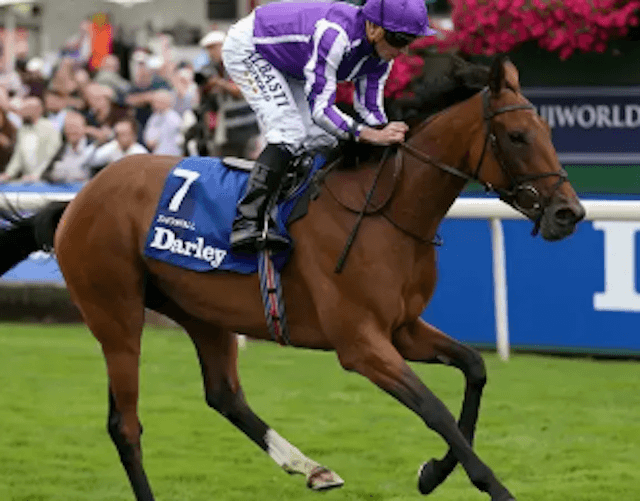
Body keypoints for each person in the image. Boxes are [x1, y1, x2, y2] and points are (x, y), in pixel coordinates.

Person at [222, 0, 436, 253]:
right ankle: (248, 220)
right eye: (400, 40)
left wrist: (387, 135)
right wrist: (369, 135)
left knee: (321, 139)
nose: (404, 50)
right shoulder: (335, 35)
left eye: (410, 41)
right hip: (251, 48)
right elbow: (321, 111)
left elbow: (370, 109)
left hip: (292, 59)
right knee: (289, 132)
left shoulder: (382, 56)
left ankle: (293, 211)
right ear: (374, 29)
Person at [0, 97, 62, 183]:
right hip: (27, 179)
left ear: (38, 110)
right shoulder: (23, 129)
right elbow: (18, 155)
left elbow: (50, 154)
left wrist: (38, 174)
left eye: (26, 109)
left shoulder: (50, 128)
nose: (22, 112)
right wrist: (8, 174)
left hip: (45, 178)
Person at [46, 112, 96, 183]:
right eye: (69, 128)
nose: (72, 131)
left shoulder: (93, 147)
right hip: (65, 190)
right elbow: (47, 173)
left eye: (75, 127)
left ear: (84, 128)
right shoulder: (61, 147)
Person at [143, 89, 183, 156]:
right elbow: (149, 139)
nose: (154, 104)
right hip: (157, 154)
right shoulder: (154, 117)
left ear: (166, 102)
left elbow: (179, 140)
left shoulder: (174, 118)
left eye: (157, 101)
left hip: (172, 155)